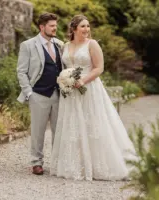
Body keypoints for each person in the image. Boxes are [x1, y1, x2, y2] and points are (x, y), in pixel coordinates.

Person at [50, 14, 136, 181]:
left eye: (88, 26)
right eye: (83, 26)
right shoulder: (65, 46)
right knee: (73, 125)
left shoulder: (92, 44)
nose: (87, 29)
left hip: (90, 89)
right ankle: (76, 164)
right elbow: (64, 66)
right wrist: (65, 80)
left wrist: (82, 80)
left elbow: (99, 68)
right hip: (71, 92)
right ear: (74, 29)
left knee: (94, 124)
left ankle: (100, 165)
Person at [16, 13, 64, 175]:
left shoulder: (59, 44)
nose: (55, 28)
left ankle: (58, 163)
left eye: (55, 25)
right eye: (51, 26)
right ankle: (37, 162)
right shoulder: (28, 45)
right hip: (38, 94)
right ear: (42, 27)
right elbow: (21, 72)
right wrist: (29, 93)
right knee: (38, 130)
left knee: (59, 130)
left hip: (58, 94)